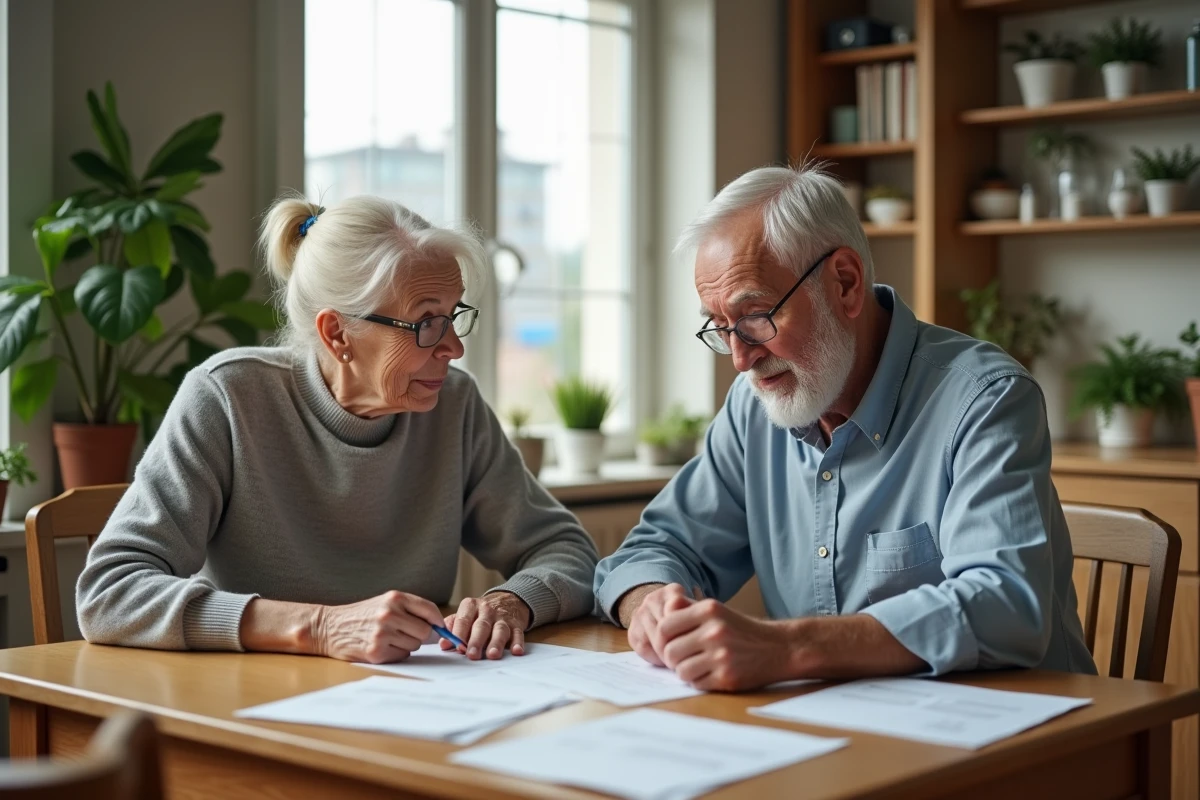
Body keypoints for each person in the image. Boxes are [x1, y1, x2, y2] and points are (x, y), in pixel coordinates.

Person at [594, 164, 1095, 690]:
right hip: (843, 734)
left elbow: (1005, 606)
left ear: (846, 284)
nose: (740, 359)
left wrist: (785, 647)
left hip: (1022, 738)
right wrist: (653, 605)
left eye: (757, 316)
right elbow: (655, 548)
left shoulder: (985, 400)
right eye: (721, 329)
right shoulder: (753, 408)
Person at [77, 195, 598, 663]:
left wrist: (511, 602)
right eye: (425, 322)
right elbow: (110, 592)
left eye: (452, 314)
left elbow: (566, 549)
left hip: (413, 701)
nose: (453, 348)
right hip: (254, 705)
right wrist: (321, 627)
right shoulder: (228, 397)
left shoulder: (454, 405)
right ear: (337, 333)